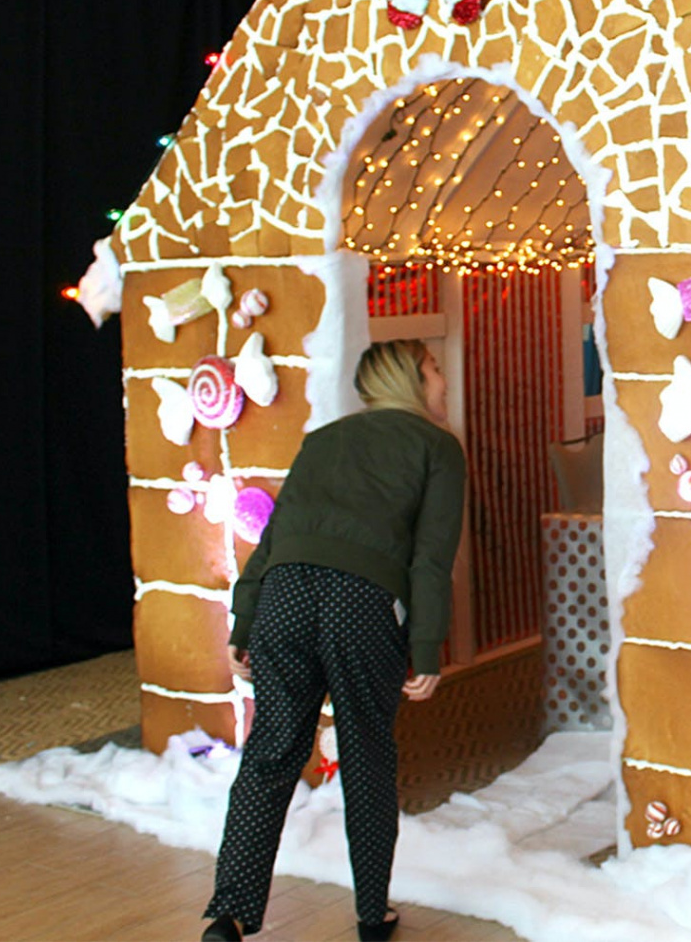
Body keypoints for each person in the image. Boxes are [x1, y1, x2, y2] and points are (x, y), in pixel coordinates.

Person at [201, 340, 466, 942]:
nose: (442, 381)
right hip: (362, 602)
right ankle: (373, 918)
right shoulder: (437, 449)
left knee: (270, 755)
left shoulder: (322, 440)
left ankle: (230, 914)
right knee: (367, 755)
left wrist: (244, 624)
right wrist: (426, 651)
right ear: (410, 378)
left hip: (285, 596)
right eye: (433, 370)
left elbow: (271, 540)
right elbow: (430, 560)